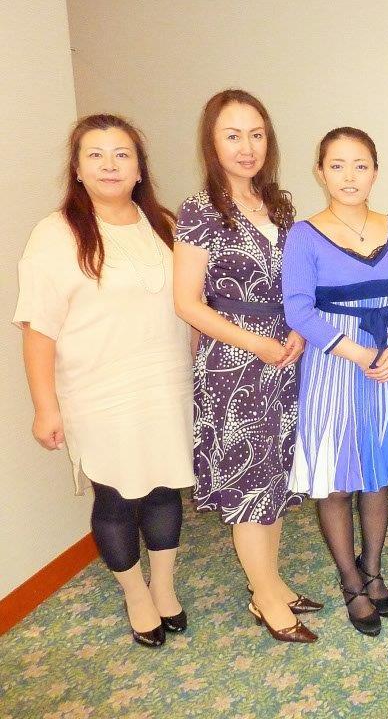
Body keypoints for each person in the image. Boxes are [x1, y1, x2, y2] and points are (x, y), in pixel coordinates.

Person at [15, 114, 195, 647]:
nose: (110, 165)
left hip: (166, 384)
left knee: (163, 487)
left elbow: (189, 307)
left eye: (122, 154)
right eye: (95, 154)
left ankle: (164, 587)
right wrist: (45, 407)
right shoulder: (55, 234)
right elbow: (38, 329)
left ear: (139, 168)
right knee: (115, 497)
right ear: (77, 168)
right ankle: (135, 594)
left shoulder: (164, 224)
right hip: (98, 393)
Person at [174, 89, 319, 644]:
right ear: (211, 143)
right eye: (232, 135)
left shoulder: (278, 205)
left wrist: (298, 330)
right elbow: (187, 303)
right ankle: (265, 597)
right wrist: (255, 344)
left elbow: (299, 284)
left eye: (256, 134)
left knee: (275, 479)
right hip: (234, 365)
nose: (246, 147)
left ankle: (271, 583)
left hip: (285, 356)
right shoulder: (199, 211)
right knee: (248, 484)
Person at [283, 127, 388, 637]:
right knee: (338, 478)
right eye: (337, 165)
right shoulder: (304, 234)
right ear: (320, 172)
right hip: (336, 363)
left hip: (387, 359)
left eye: (360, 165)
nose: (349, 176)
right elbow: (298, 309)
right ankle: (350, 581)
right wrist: (358, 351)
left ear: (375, 172)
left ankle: (374, 570)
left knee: (377, 473)